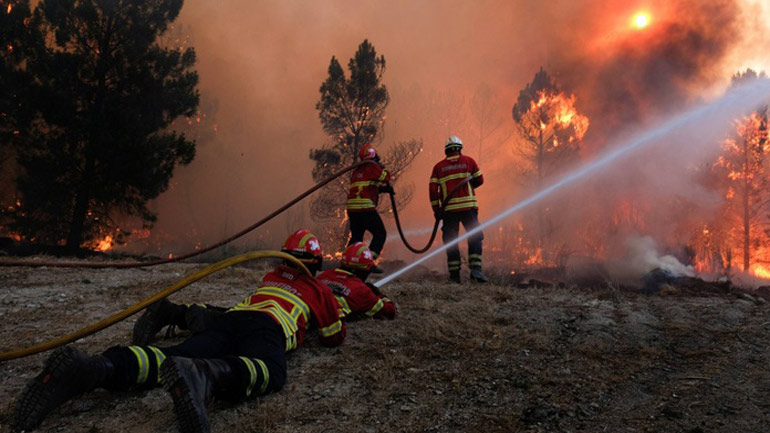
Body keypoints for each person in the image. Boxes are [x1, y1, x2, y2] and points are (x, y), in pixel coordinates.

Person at [13, 229, 345, 433]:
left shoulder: (270, 277)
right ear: (316, 264)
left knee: (171, 356)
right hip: (268, 327)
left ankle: (97, 367)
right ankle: (206, 376)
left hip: (231, 320)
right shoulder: (319, 289)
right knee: (271, 370)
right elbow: (333, 337)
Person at [131, 242, 396, 347]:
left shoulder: (324, 275)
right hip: (299, 315)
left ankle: (174, 312)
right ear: (364, 270)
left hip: (279, 299)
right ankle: (180, 315)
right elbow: (388, 311)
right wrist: (377, 293)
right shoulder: (362, 290)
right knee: (244, 332)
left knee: (235, 318)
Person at [429, 135, 489, 284]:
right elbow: (480, 180)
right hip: (468, 208)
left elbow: (433, 191)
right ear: (460, 149)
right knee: (475, 236)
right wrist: (468, 187)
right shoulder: (469, 161)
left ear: (446, 150)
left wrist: (437, 210)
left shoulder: (438, 167)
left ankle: (454, 276)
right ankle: (476, 270)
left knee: (451, 241)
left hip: (449, 211)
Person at [346, 143, 392, 259]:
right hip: (365, 208)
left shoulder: (357, 170)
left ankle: (349, 259)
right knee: (380, 234)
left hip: (353, 210)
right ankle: (368, 260)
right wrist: (383, 168)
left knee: (356, 237)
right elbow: (386, 177)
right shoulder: (372, 166)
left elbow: (365, 188)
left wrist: (382, 189)